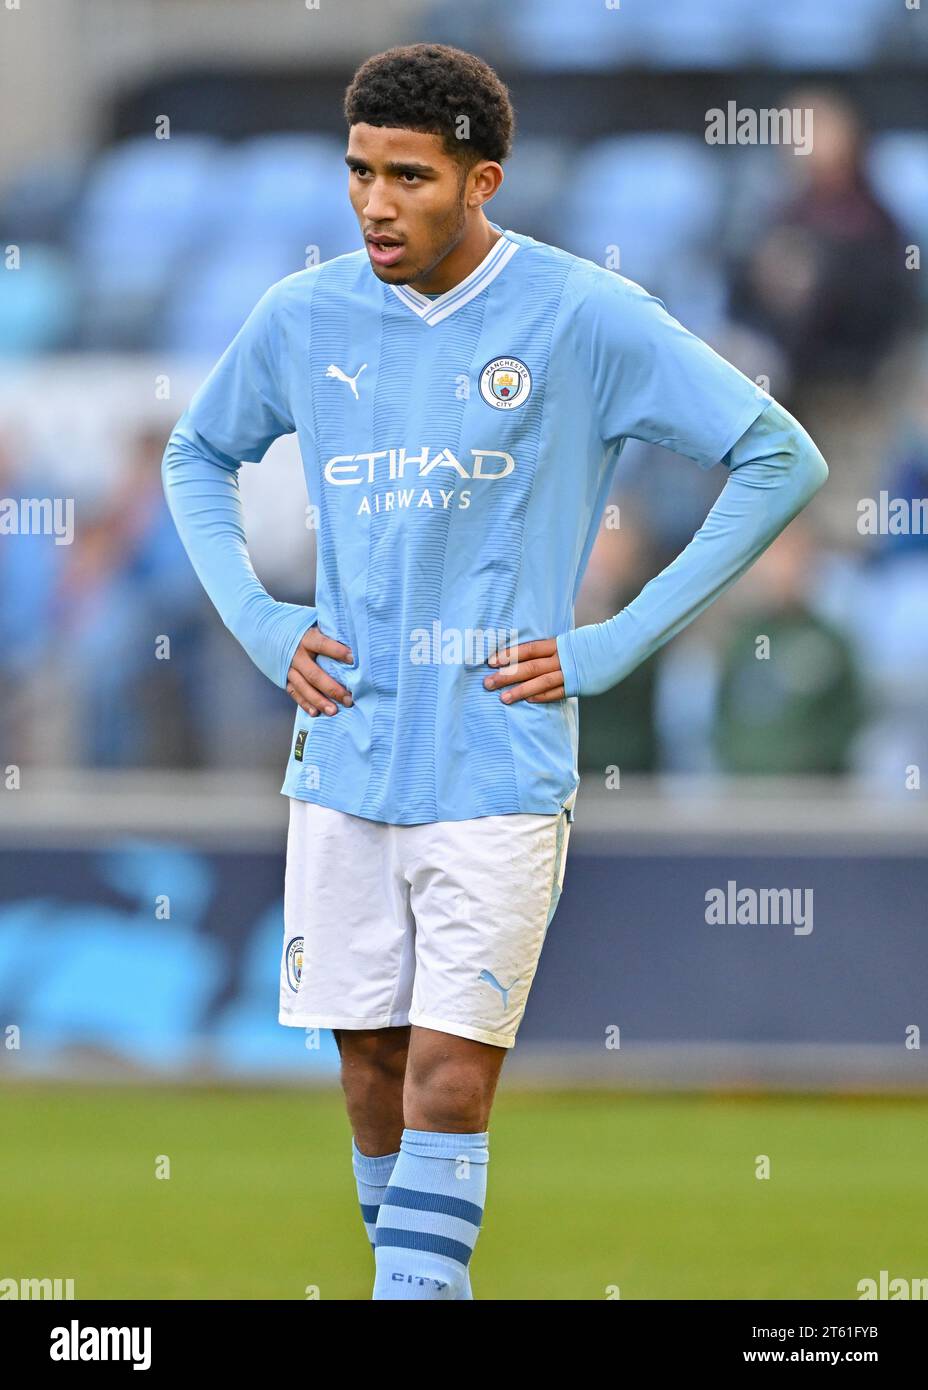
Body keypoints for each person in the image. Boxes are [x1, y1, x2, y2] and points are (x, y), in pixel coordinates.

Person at [162, 43, 828, 1300]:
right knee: (368, 1064)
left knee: (449, 1074)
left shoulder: (580, 314)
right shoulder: (303, 317)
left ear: (483, 181)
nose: (372, 203)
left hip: (499, 756)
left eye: (407, 176)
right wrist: (260, 623)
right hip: (348, 745)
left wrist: (614, 639)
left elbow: (776, 457)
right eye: (357, 171)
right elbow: (197, 453)